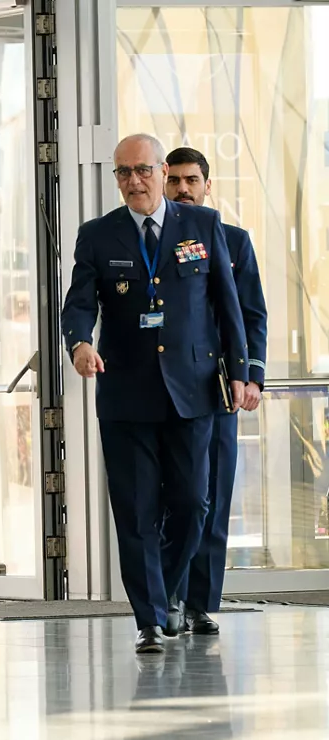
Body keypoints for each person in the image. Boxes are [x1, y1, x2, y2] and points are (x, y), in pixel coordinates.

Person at [61, 134, 249, 655]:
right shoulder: (98, 235)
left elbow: (228, 306)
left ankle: (164, 590)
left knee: (193, 503)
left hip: (193, 389)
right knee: (137, 511)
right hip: (126, 391)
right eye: (122, 173)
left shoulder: (203, 226)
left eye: (142, 170)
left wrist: (239, 372)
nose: (133, 181)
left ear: (163, 171)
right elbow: (78, 304)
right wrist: (78, 343)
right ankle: (149, 619)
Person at [164, 146, 267, 635]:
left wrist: (250, 376)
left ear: (208, 185)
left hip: (219, 390)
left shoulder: (233, 240)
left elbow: (250, 315)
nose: (184, 189)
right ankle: (168, 596)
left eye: (192, 181)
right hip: (167, 395)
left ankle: (201, 602)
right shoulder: (152, 242)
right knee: (176, 500)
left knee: (215, 494)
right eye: (175, 181)